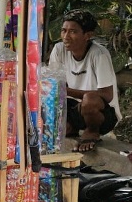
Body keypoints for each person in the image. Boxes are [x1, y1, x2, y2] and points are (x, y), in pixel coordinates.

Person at [48, 9, 121, 153]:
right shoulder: (59, 50)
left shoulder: (99, 55)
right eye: (64, 31)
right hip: (76, 109)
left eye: (73, 32)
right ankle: (72, 127)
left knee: (90, 99)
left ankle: (92, 131)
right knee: (48, 94)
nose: (66, 37)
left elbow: (107, 95)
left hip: (102, 114)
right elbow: (54, 83)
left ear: (88, 35)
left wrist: (67, 91)